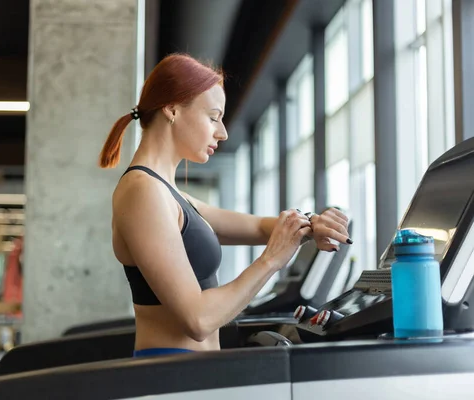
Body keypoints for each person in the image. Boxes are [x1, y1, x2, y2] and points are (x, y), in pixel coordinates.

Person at [98, 53, 351, 357]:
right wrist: (271, 260)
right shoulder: (142, 192)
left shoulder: (168, 193)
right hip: (171, 377)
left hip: (194, 373)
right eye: (213, 117)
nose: (223, 132)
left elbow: (257, 226)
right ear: (173, 109)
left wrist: (311, 224)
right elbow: (198, 319)